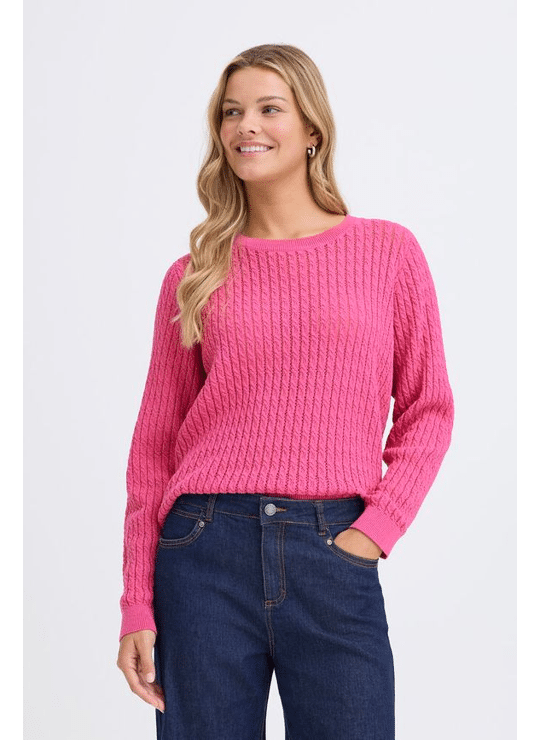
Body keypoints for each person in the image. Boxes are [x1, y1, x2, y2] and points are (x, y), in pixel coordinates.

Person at [116, 43, 454, 739]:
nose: (246, 125)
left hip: (335, 550)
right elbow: (153, 448)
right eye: (231, 112)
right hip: (203, 552)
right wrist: (136, 603)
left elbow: (428, 409)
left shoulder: (388, 253)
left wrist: (375, 531)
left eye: (270, 108)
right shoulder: (194, 274)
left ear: (312, 131)